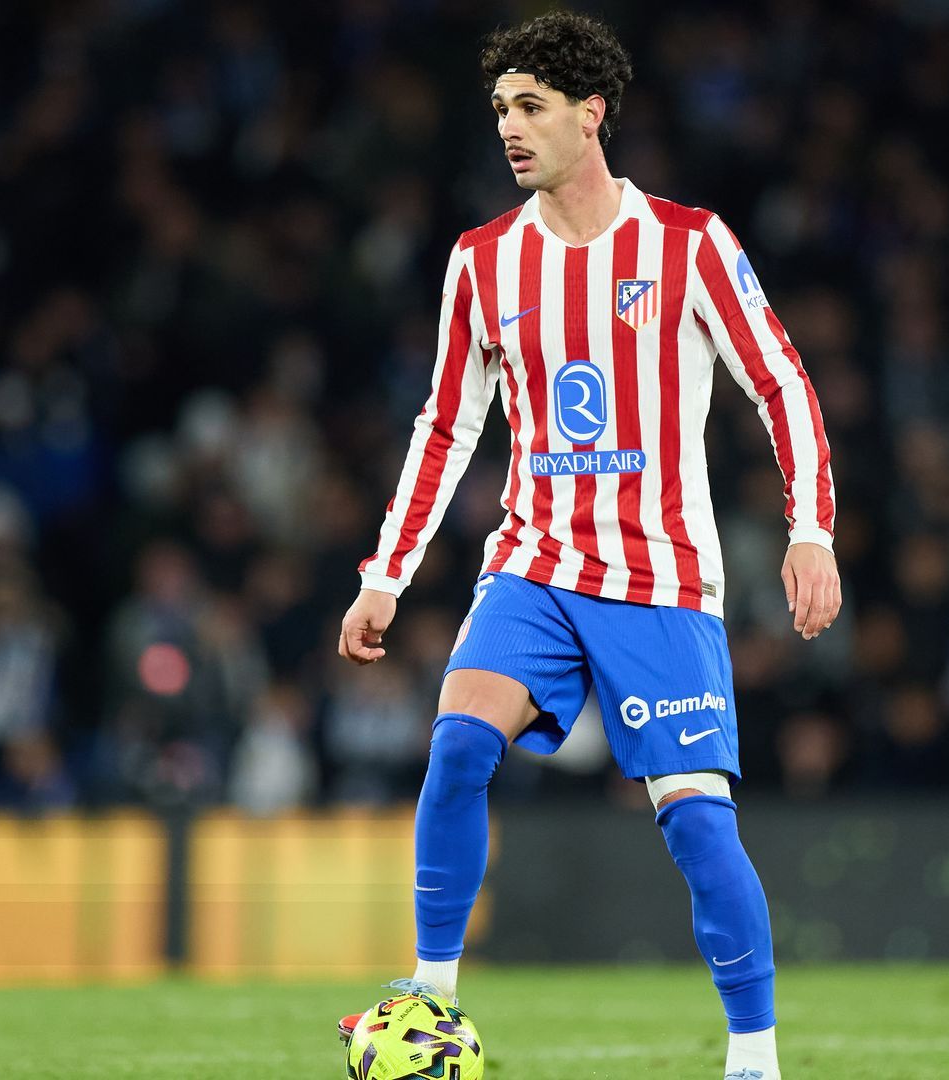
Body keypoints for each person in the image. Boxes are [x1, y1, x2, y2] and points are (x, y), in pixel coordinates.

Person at [334, 13, 839, 1080]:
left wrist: (810, 530)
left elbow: (782, 381)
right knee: (460, 741)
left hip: (660, 579)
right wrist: (387, 577)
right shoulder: (482, 262)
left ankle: (755, 1058)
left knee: (699, 830)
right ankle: (430, 1002)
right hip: (535, 566)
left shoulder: (689, 244)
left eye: (531, 107)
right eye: (501, 111)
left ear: (590, 112)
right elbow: (445, 427)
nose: (510, 130)